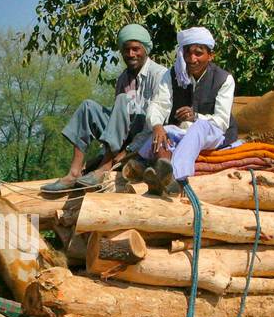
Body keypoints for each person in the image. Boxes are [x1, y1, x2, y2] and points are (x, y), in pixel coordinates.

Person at [40, 24, 172, 195]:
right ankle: (74, 172)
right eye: (126, 50)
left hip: (145, 141)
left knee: (123, 99)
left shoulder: (159, 74)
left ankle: (105, 167)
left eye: (135, 49)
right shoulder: (124, 78)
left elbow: (155, 124)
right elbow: (116, 121)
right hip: (123, 137)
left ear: (145, 50)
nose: (131, 54)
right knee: (88, 106)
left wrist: (127, 151)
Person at [123, 26, 236, 197]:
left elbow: (221, 121)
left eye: (198, 53)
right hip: (183, 130)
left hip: (214, 133)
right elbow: (159, 105)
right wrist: (157, 126)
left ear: (210, 55)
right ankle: (161, 171)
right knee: (166, 131)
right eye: (188, 53)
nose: (192, 59)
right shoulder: (173, 75)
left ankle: (177, 175)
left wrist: (196, 116)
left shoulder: (224, 79)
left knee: (200, 127)